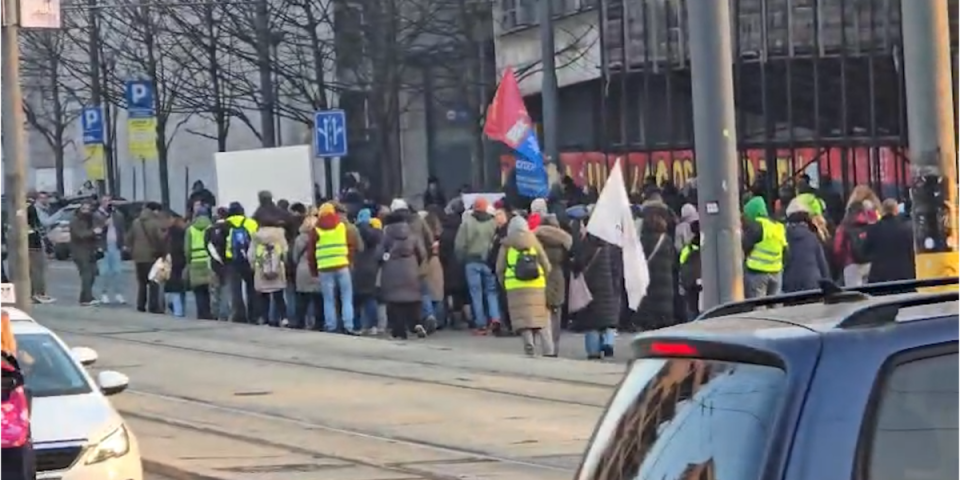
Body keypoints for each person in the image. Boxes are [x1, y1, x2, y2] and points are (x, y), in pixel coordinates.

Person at [496, 216, 552, 356]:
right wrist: (543, 277)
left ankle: (529, 344)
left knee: (523, 318)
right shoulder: (534, 241)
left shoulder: (506, 244)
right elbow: (546, 264)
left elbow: (500, 268)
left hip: (515, 285)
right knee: (541, 317)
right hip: (537, 284)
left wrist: (504, 282)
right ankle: (548, 349)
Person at [307, 203, 360, 334]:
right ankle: (348, 326)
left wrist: (313, 270)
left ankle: (331, 325)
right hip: (342, 266)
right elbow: (351, 246)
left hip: (324, 268)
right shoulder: (342, 227)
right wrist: (349, 261)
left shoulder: (316, 230)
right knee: (346, 297)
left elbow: (311, 252)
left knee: (328, 299)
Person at [380, 208, 428, 339]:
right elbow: (422, 254)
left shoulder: (386, 234)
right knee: (412, 300)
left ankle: (399, 330)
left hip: (392, 270)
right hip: (411, 268)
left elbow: (379, 253)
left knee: (395, 303)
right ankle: (416, 324)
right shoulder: (412, 234)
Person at [454, 197, 500, 334]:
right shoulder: (493, 223)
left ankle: (480, 324)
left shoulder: (467, 223)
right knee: (491, 292)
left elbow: (459, 245)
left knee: (476, 293)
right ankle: (495, 317)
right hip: (488, 262)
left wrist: (461, 259)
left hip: (471, 261)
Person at [531, 199, 572, 354]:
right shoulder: (562, 237)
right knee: (556, 311)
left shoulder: (536, 236)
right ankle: (555, 345)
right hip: (558, 275)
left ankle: (545, 345)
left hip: (541, 275)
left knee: (541, 310)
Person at [571, 233, 620, 359]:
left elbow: (578, 264)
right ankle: (608, 341)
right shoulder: (611, 245)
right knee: (608, 319)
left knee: (591, 323)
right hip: (608, 286)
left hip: (589, 287)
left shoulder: (585, 244)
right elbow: (617, 268)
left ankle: (593, 352)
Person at [781, 198, 831, 293]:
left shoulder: (784, 236)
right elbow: (822, 264)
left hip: (790, 284)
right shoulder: (812, 237)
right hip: (812, 282)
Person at [742, 196, 787, 298]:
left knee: (759, 308)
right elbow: (786, 251)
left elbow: (745, 246)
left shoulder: (756, 225)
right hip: (776, 272)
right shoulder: (778, 226)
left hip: (757, 273)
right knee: (775, 306)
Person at [250, 208, 288, 327]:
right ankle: (283, 318)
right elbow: (285, 250)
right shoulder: (280, 234)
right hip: (277, 267)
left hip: (261, 268)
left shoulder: (256, 236)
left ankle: (264, 318)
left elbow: (251, 254)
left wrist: (253, 266)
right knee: (279, 295)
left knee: (264, 296)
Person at [864, 199, 916, 284]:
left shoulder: (873, 229)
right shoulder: (906, 228)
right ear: (896, 210)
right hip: (904, 274)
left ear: (882, 211)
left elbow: (865, 251)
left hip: (880, 276)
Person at [126, 202, 166, 313]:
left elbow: (129, 238)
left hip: (138, 258)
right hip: (152, 257)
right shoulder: (155, 223)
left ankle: (141, 305)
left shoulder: (136, 222)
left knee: (142, 283)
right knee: (154, 282)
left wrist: (133, 251)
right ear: (154, 211)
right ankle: (153, 306)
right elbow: (160, 239)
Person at [223, 202, 259, 323]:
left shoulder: (225, 224)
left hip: (232, 260)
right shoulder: (251, 223)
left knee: (235, 289)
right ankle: (254, 314)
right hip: (249, 258)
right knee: (252, 287)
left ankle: (239, 315)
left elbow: (221, 243)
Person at [353, 209, 384, 335]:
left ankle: (357, 326)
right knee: (370, 297)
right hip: (372, 267)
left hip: (357, 265)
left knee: (355, 299)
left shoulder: (354, 231)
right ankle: (373, 326)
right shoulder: (377, 233)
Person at [291, 209, 323, 329]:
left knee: (302, 299)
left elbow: (295, 256)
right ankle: (319, 323)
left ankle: (300, 322)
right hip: (317, 268)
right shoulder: (321, 237)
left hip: (303, 269)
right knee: (318, 299)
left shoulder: (299, 239)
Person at [93, 195, 126, 305]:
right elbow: (95, 230)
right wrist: (104, 224)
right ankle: (104, 294)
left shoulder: (116, 214)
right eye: (105, 201)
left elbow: (121, 230)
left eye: (109, 201)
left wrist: (123, 243)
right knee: (105, 272)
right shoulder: (97, 215)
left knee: (117, 271)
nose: (108, 203)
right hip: (104, 246)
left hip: (115, 245)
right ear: (101, 203)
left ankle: (118, 293)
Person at [184, 207, 214, 319]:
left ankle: (201, 313)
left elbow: (187, 249)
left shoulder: (190, 229)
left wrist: (188, 262)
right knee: (208, 289)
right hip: (208, 261)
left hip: (195, 262)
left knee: (198, 290)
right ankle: (208, 313)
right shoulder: (211, 227)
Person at [68, 202, 100, 306]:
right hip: (80, 251)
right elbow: (80, 235)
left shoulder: (90, 220)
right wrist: (93, 232)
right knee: (87, 275)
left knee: (93, 273)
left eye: (88, 209)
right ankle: (87, 298)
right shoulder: (75, 221)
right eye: (84, 208)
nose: (86, 211)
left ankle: (84, 297)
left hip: (90, 251)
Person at [25, 192, 54, 304]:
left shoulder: (19, 208)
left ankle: (33, 294)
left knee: (31, 271)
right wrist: (47, 243)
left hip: (26, 243)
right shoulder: (31, 209)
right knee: (37, 270)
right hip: (34, 243)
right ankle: (38, 294)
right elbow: (38, 225)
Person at [205, 207, 231, 321]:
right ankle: (224, 313)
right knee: (226, 289)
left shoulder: (210, 230)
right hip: (228, 263)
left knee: (215, 290)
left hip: (214, 263)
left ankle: (214, 313)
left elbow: (207, 246)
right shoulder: (230, 228)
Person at [165, 215, 188, 318]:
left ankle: (177, 310)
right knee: (180, 288)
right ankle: (180, 310)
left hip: (171, 262)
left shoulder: (169, 233)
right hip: (181, 262)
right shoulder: (183, 233)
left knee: (174, 288)